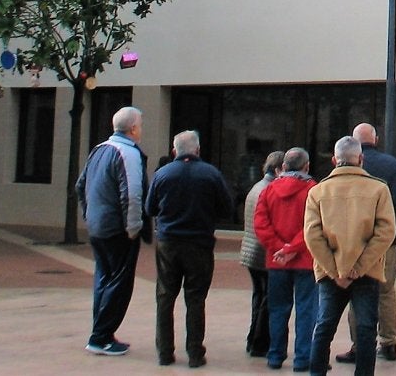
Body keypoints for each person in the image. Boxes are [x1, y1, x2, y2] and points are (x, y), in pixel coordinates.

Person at [304, 135, 396, 376]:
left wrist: (336, 271)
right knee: (366, 329)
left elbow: (312, 235)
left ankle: (317, 372)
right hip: (366, 272)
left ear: (334, 160)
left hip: (329, 272)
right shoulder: (379, 189)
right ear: (361, 159)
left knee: (324, 327)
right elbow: (386, 232)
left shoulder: (318, 191)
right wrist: (360, 267)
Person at [145, 129, 234, 368]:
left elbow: (149, 208)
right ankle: (195, 353)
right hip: (199, 243)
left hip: (168, 242)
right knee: (195, 298)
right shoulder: (211, 174)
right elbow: (227, 208)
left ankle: (165, 352)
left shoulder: (162, 174)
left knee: (165, 296)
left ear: (174, 151)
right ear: (198, 150)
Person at [75, 105, 149, 357]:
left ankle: (101, 332)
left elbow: (80, 185)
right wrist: (133, 228)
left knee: (104, 279)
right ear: (133, 128)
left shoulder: (99, 150)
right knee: (119, 282)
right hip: (117, 229)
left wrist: (89, 214)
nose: (141, 129)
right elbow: (132, 194)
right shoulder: (128, 154)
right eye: (140, 124)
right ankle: (101, 336)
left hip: (98, 227)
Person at [335, 124, 396, 366]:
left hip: (354, 239)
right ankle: (389, 342)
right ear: (375, 139)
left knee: (357, 292)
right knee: (386, 291)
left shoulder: (345, 168)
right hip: (385, 239)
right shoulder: (392, 164)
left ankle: (359, 344)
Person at [254, 147, 318, 372]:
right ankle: (302, 358)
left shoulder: (269, 191)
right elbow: (314, 226)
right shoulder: (313, 190)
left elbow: (260, 224)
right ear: (306, 166)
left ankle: (275, 355)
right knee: (306, 310)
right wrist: (294, 247)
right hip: (305, 260)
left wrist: (279, 248)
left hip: (277, 261)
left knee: (278, 309)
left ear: (283, 167)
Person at [241, 150, 285, 358]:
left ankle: (253, 338)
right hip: (262, 252)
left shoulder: (257, 187)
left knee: (259, 296)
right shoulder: (269, 190)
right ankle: (259, 342)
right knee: (267, 299)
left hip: (251, 251)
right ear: (278, 169)